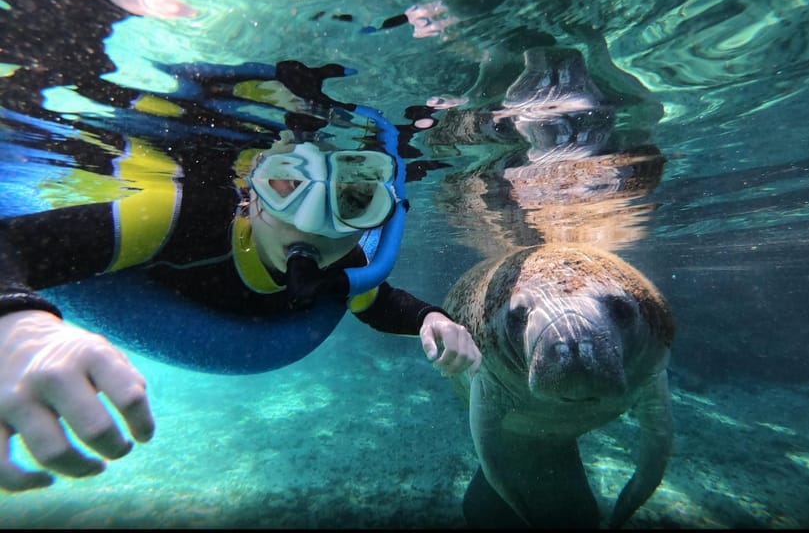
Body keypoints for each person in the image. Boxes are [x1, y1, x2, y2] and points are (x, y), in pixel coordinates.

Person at [0, 84, 481, 493]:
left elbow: (378, 303)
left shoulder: (348, 264)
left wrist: (429, 318)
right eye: (286, 185)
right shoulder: (179, 216)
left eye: (355, 199)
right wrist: (17, 325)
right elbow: (13, 247)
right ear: (250, 192)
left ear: (379, 215)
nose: (313, 225)